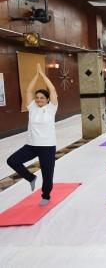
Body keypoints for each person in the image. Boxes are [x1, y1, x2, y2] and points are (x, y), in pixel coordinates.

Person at [7, 63, 58, 206]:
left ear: (47, 99)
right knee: (12, 161)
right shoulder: (32, 107)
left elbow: (53, 90)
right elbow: (28, 91)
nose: (39, 100)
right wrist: (36, 76)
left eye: (42, 97)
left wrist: (43, 75)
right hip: (31, 145)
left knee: (47, 174)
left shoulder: (51, 108)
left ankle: (46, 195)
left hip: (47, 146)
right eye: (37, 98)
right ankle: (30, 178)